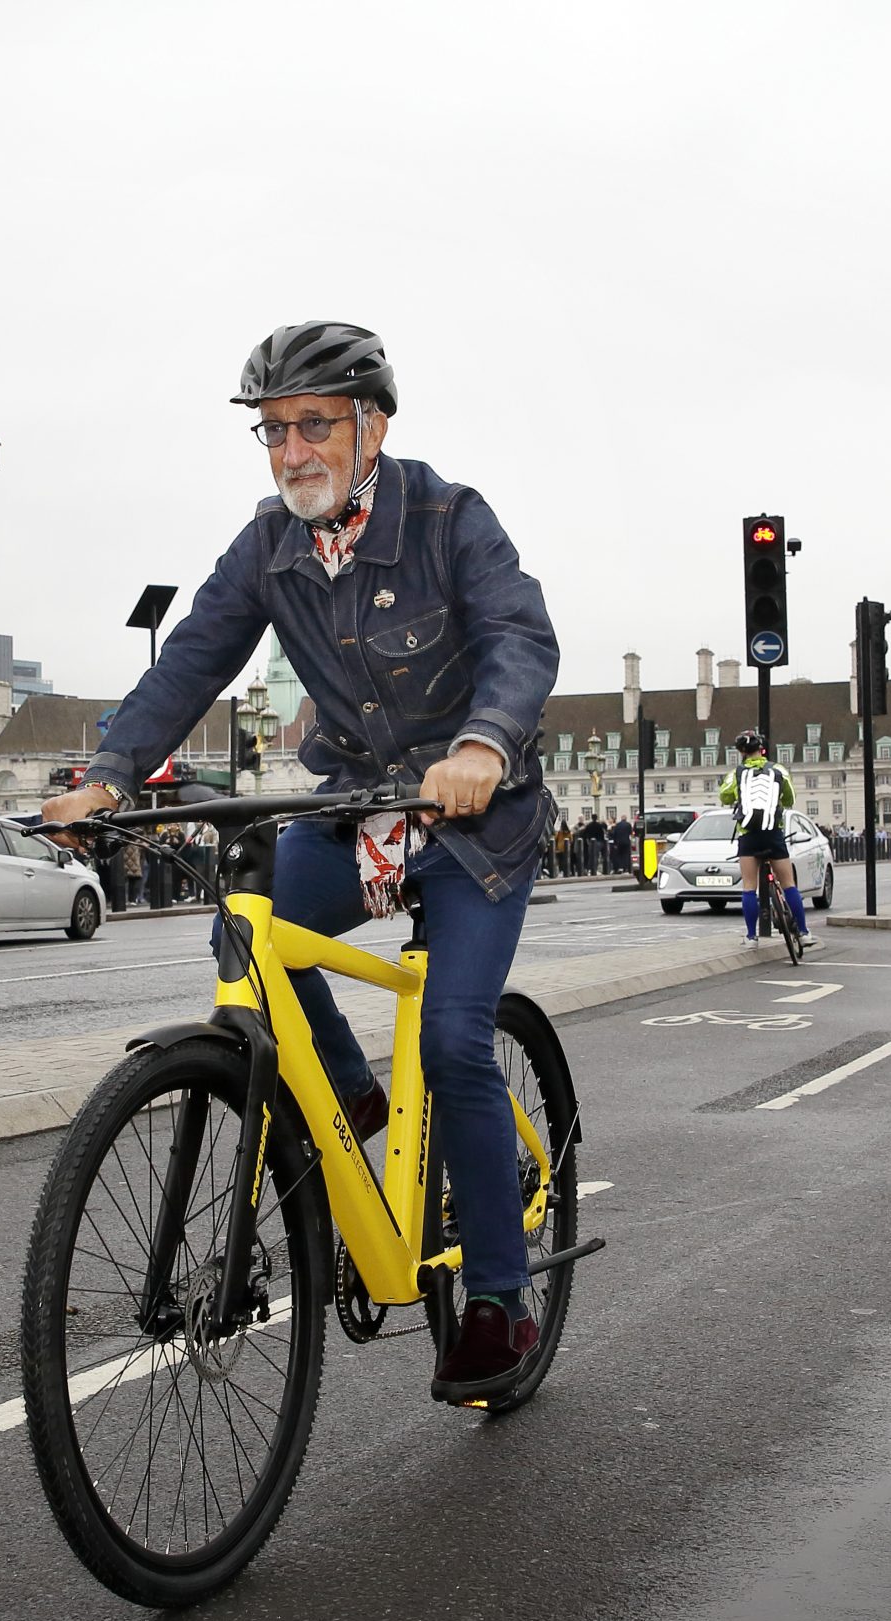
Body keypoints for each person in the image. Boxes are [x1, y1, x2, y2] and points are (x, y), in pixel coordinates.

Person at [38, 320, 558, 1404]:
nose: (290, 454)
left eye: (312, 426)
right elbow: (190, 661)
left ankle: (504, 1302)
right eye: (272, 432)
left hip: (471, 820)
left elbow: (518, 638)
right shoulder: (267, 545)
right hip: (359, 808)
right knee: (253, 924)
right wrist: (109, 774)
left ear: (372, 424)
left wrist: (480, 745)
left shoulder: (450, 518)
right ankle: (358, 1098)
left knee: (460, 1038)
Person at [718, 731, 816, 949]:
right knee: (789, 885)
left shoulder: (736, 773)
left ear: (741, 752)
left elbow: (724, 795)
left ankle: (752, 937)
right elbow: (790, 797)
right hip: (773, 833)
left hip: (748, 835)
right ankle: (803, 932)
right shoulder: (778, 770)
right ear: (761, 747)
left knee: (749, 887)